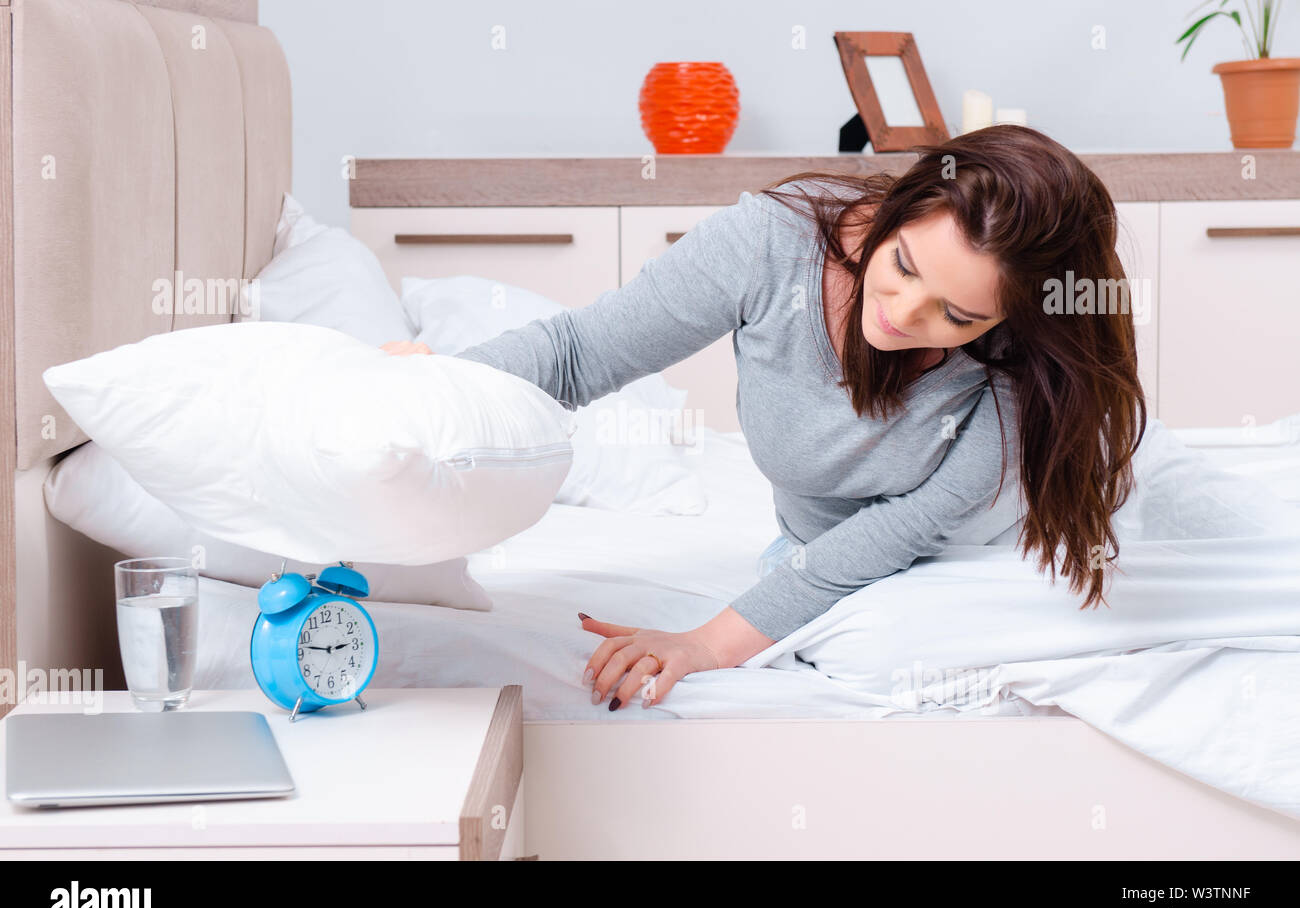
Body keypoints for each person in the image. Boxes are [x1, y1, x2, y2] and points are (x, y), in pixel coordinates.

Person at [382, 124, 1147, 712]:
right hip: (828, 550)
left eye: (956, 313)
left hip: (987, 541)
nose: (903, 312)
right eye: (904, 265)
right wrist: (445, 388)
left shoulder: (1021, 362)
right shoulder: (768, 245)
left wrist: (705, 643)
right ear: (900, 205)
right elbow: (581, 352)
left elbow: (896, 531)